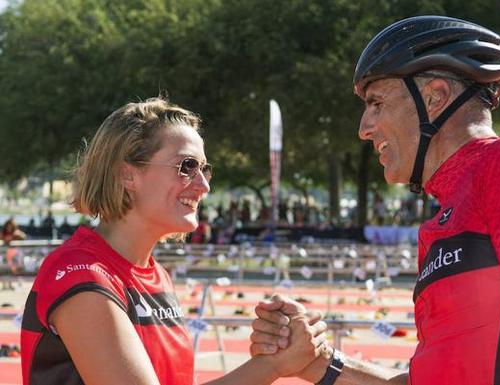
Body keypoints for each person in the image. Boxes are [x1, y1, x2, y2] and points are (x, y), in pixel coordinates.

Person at [251, 15, 500, 385]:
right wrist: (318, 363)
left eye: (376, 103)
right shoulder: (448, 214)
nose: (364, 128)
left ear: (435, 97)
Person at [20, 98, 327, 385]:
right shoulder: (81, 274)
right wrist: (271, 366)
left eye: (205, 169)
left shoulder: (156, 277)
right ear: (127, 174)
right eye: (187, 167)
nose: (203, 185)